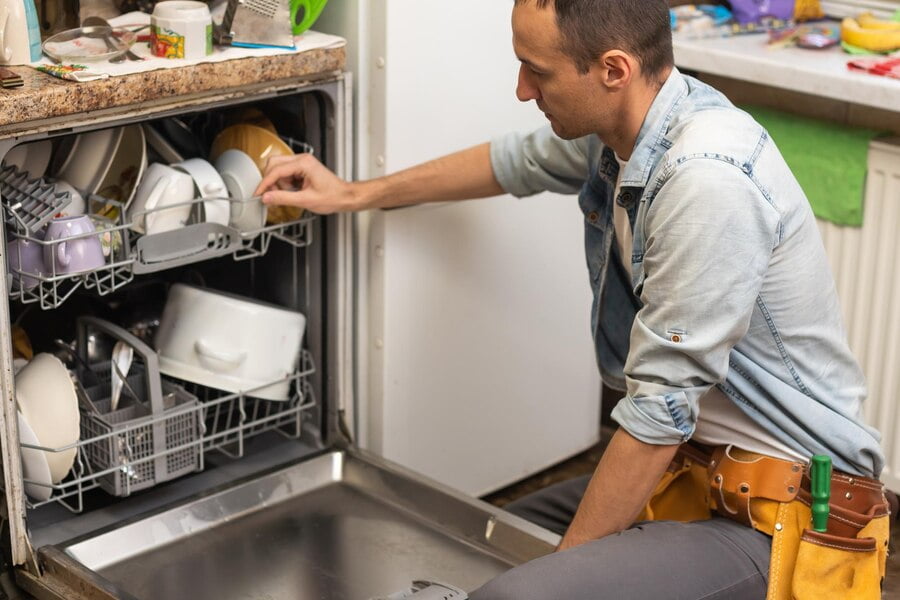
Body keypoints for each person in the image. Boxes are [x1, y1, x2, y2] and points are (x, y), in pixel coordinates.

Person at [255, 0, 890, 598]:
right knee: (487, 541)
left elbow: (659, 414)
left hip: (787, 515)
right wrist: (352, 193)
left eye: (537, 70)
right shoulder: (626, 132)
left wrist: (560, 582)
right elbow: (511, 163)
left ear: (613, 70)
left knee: (520, 590)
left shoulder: (706, 182)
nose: (521, 90)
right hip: (693, 474)